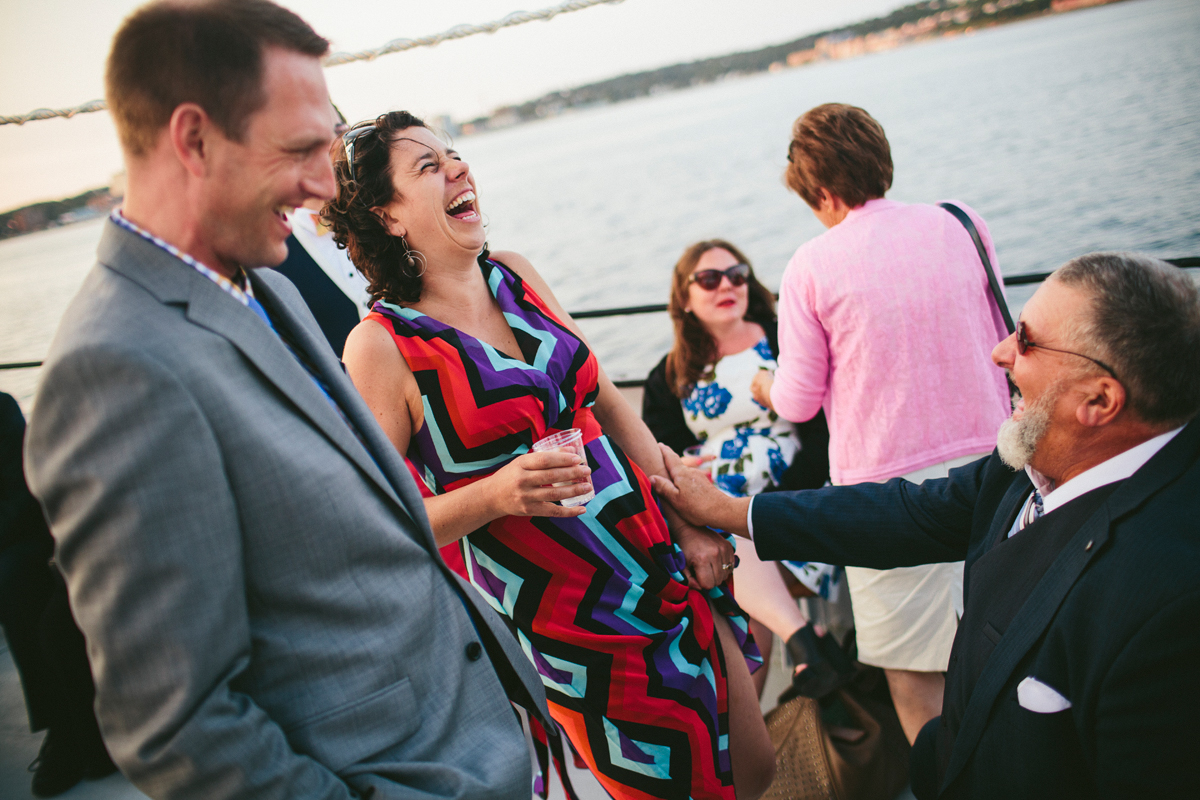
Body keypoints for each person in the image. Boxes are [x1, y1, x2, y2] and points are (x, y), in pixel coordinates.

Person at [23, 3, 552, 798]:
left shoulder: (266, 284)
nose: (323, 184)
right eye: (302, 149)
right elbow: (177, 725)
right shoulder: (113, 370)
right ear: (194, 140)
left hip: (477, 739)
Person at [326, 111, 776, 800]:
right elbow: (376, 525)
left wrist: (686, 519)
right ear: (387, 215)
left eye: (452, 154)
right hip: (570, 631)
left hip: (656, 560)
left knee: (754, 768)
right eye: (427, 166)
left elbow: (606, 399)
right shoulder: (382, 346)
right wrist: (495, 495)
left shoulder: (517, 276)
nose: (457, 167)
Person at [651, 252, 1200, 798]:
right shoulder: (1024, 465)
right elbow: (906, 513)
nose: (1000, 351)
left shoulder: (1170, 601)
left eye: (1027, 341)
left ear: (1099, 400)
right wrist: (726, 510)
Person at [751, 103, 1011, 742]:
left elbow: (798, 401)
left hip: (888, 495)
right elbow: (1004, 336)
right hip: (996, 467)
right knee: (1006, 642)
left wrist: (762, 383)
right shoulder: (961, 222)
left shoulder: (811, 265)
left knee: (914, 673)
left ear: (822, 192)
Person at [641, 239, 848, 700]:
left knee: (735, 570)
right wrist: (684, 464)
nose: (726, 286)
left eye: (737, 275)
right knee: (731, 564)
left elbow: (824, 434)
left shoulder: (784, 340)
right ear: (685, 298)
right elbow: (659, 451)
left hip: (790, 500)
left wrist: (774, 504)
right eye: (709, 279)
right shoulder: (671, 373)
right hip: (714, 509)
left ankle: (745, 736)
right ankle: (802, 650)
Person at [1, 392, 115, 797]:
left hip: (30, 538)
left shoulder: (0, 411)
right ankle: (74, 732)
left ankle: (65, 732)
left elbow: (21, 500)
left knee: (16, 583)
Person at [271, 105, 371, 357]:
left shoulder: (390, 218)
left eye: (338, 132)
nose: (331, 146)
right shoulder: (272, 255)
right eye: (314, 137)